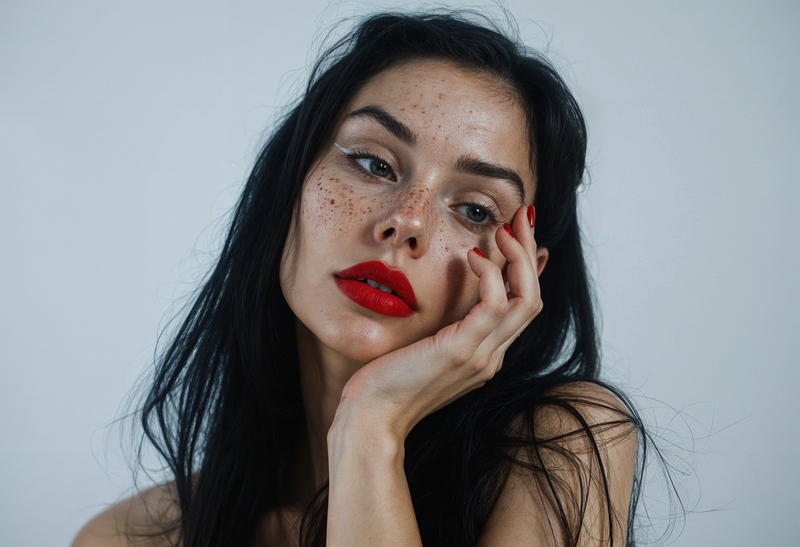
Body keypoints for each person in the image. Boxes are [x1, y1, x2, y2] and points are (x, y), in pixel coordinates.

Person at [73, 10, 643, 547]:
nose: (407, 221)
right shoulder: (125, 538)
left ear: (520, 278)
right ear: (291, 182)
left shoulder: (567, 450)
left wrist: (372, 426)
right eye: (374, 164)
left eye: (474, 210)